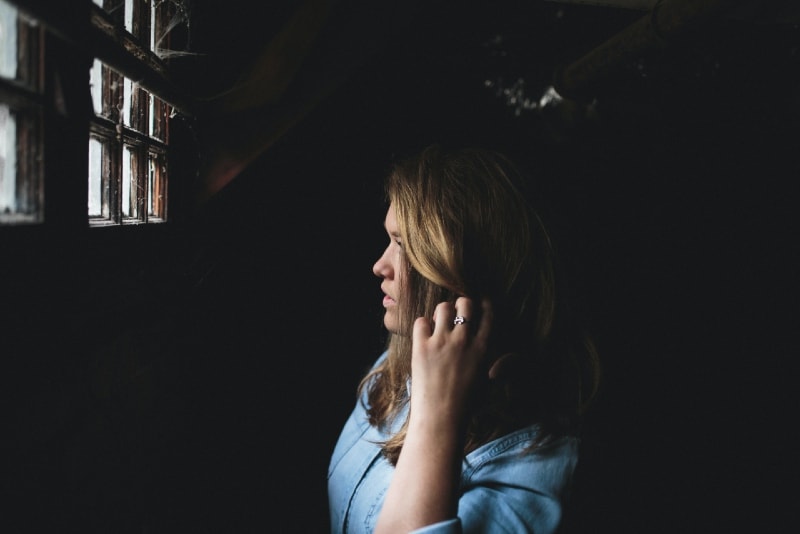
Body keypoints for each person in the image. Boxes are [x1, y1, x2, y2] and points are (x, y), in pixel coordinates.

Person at [328, 144, 601, 533]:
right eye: (389, 240)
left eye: (404, 247)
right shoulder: (399, 364)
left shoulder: (531, 484)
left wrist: (438, 415)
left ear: (462, 279)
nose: (379, 266)